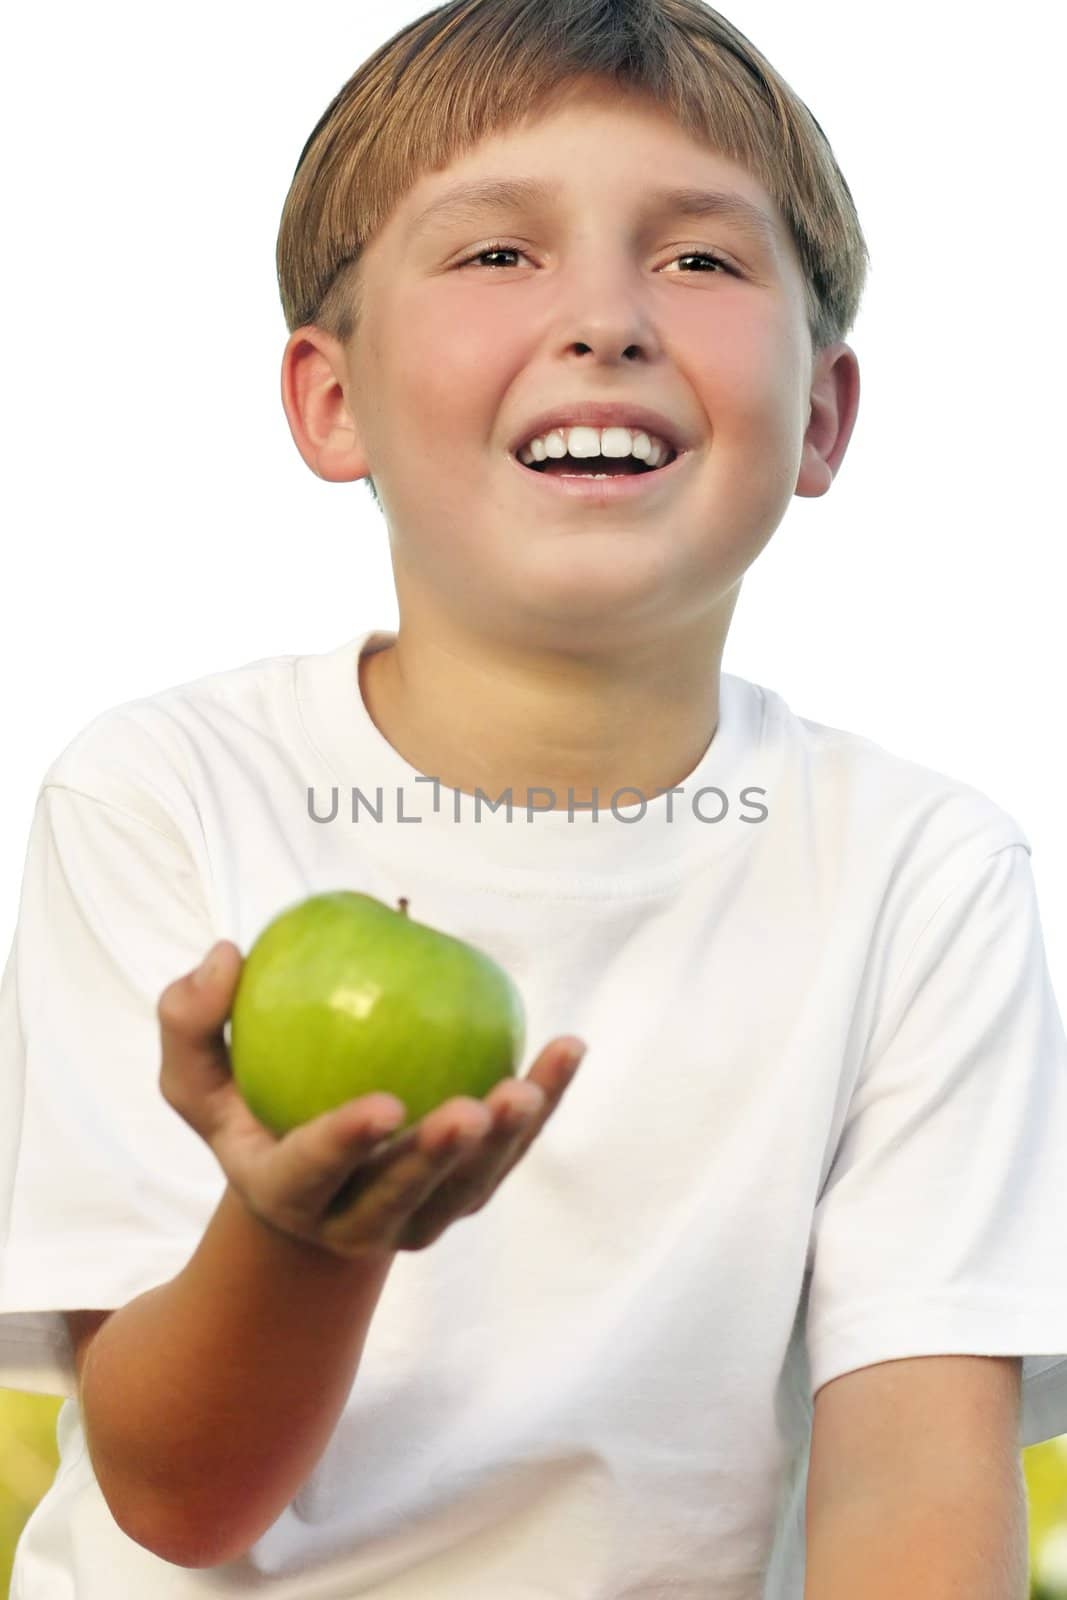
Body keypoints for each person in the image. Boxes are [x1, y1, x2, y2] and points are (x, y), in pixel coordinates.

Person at [2, 0, 1065, 1594]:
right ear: (330, 401)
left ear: (825, 416)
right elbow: (180, 1501)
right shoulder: (163, 794)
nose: (607, 319)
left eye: (701, 260)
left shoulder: (925, 872)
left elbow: (912, 1494)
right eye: (498, 254)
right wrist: (308, 1235)